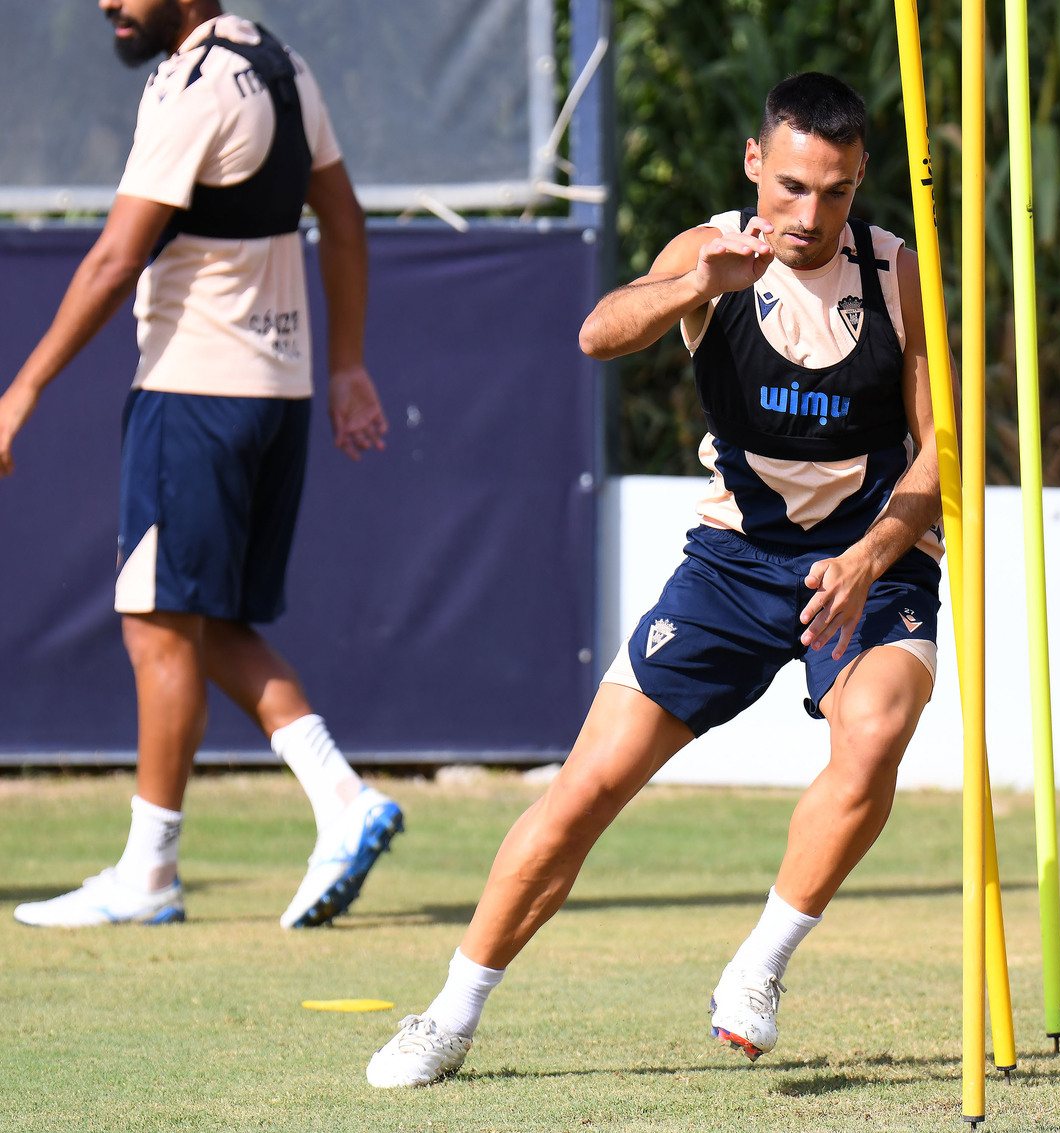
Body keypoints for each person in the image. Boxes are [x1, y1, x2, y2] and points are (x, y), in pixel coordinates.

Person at [365, 72, 944, 1087]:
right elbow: (598, 332)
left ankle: (758, 965)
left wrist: (867, 559)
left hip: (869, 560)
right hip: (731, 563)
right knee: (585, 788)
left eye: (837, 191)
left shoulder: (898, 272)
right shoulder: (708, 249)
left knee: (876, 733)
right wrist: (696, 286)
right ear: (755, 163)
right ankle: (448, 1014)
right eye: (792, 186)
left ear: (859, 181)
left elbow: (944, 453)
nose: (810, 215)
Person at [0, 0, 402, 930]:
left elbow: (115, 258)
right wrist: (346, 363)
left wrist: (21, 390)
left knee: (156, 621)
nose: (108, 3)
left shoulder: (191, 85)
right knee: (203, 621)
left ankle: (151, 873)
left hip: (193, 390)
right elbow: (343, 221)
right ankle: (341, 797)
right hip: (277, 391)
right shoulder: (285, 66)